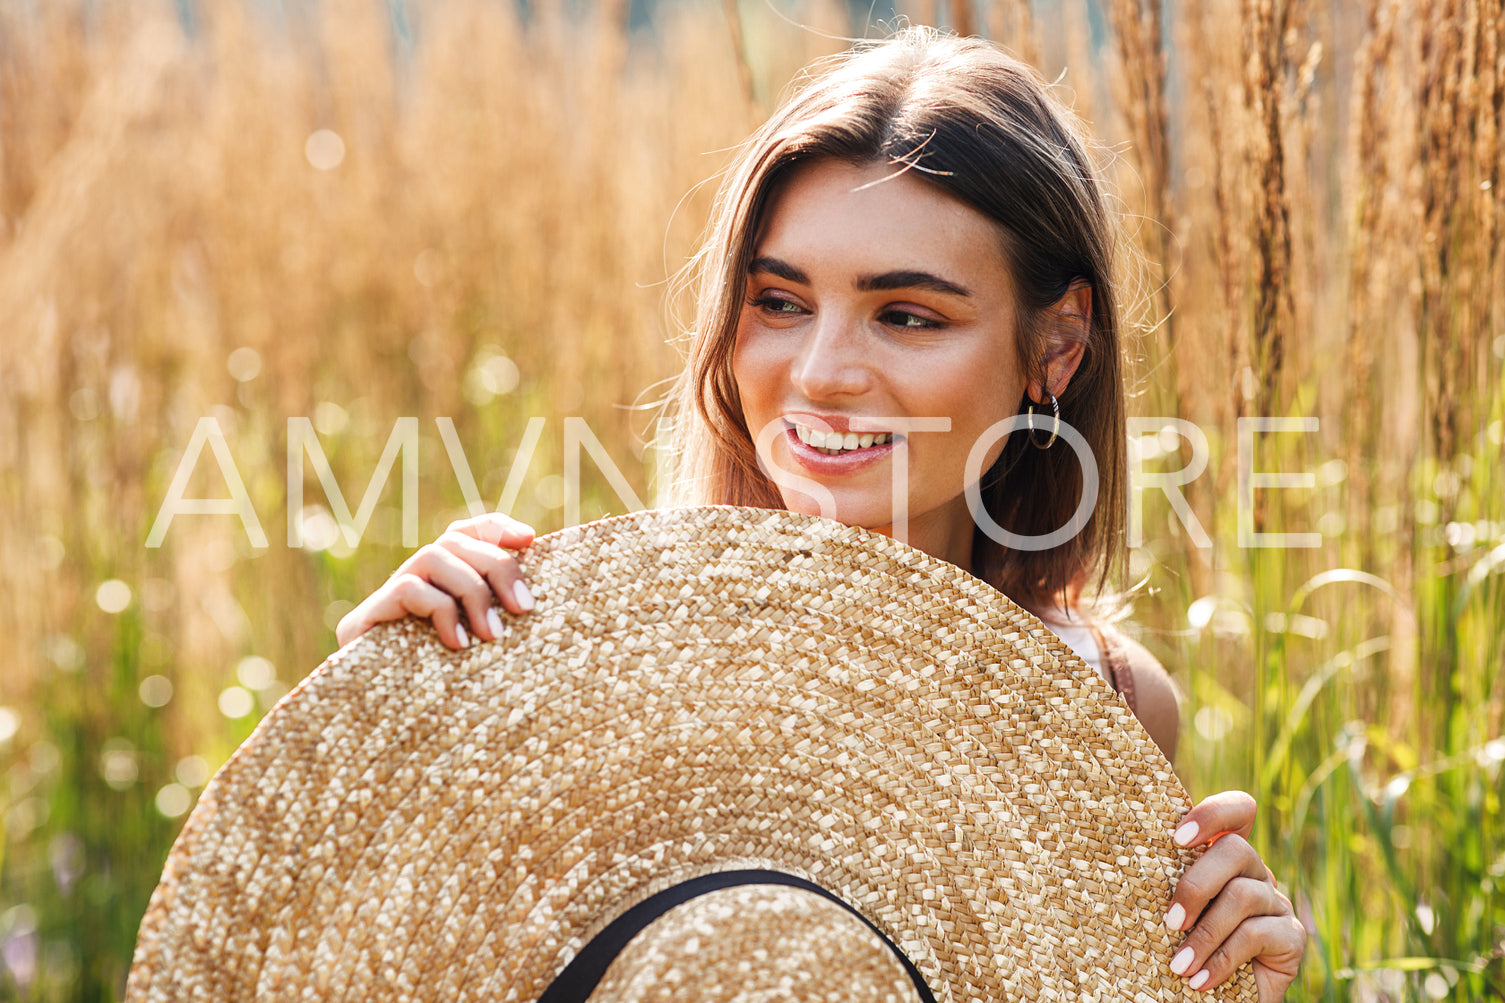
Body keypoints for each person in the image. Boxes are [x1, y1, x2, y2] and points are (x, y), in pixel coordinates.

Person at [335, 27, 1306, 998]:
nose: (819, 372)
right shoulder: (571, 652)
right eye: (778, 301)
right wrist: (377, 734)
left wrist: (1228, 990)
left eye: (906, 315)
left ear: (1055, 345)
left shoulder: (1100, 700)